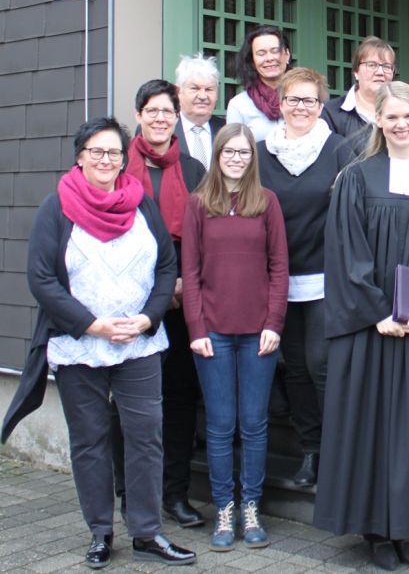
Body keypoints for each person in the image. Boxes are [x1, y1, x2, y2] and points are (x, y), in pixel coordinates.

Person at [1, 117, 196, 568]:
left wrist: (147, 318)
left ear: (123, 158)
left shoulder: (142, 204)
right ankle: (101, 532)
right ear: (80, 157)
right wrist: (93, 326)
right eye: (97, 152)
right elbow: (42, 279)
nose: (106, 160)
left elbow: (167, 268)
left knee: (146, 436)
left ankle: (147, 532)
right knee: (90, 440)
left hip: (138, 344)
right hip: (80, 344)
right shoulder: (57, 207)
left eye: (113, 152)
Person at [313, 82, 409, 571]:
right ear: (378, 120)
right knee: (371, 426)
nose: (401, 125)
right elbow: (346, 253)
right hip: (370, 328)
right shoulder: (356, 178)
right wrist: (378, 312)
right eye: (391, 117)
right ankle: (376, 530)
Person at [182, 123, 289, 551]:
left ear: (252, 158)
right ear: (218, 154)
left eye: (244, 152)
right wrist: (196, 328)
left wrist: (274, 324)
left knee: (255, 425)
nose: (236, 158)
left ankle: (251, 507)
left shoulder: (267, 203)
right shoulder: (197, 205)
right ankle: (224, 510)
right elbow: (189, 273)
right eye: (230, 151)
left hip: (258, 333)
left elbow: (280, 268)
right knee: (221, 426)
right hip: (213, 334)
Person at [114, 79, 207, 529]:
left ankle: (175, 493)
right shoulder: (116, 167)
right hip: (130, 300)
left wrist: (182, 283)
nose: (159, 118)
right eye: (150, 110)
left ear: (176, 117)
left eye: (167, 111)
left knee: (179, 397)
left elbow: (205, 235)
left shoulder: (191, 170)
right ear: (138, 116)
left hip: (180, 298)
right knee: (129, 401)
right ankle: (130, 496)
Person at [257, 67, 354, 487]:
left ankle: (338, 452)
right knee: (294, 367)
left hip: (324, 277)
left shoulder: (339, 149)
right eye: (293, 99)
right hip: (278, 279)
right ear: (280, 103)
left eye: (310, 101)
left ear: (321, 106)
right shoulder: (260, 153)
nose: (301, 107)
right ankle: (310, 452)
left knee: (320, 365)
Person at [321, 36, 396, 155]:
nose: (380, 72)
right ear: (356, 72)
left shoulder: (402, 112)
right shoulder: (330, 113)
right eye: (372, 65)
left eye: (386, 67)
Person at [227, 25, 292, 142]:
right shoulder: (239, 105)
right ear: (252, 61)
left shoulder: (305, 99)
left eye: (275, 51)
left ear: (287, 55)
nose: (269, 58)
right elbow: (234, 150)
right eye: (261, 53)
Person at [174, 52, 226, 169]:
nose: (203, 96)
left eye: (209, 89)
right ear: (178, 92)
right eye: (194, 88)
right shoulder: (165, 129)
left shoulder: (225, 129)